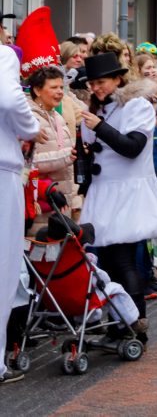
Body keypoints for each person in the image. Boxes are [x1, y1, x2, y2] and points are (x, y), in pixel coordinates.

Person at [77, 54, 157, 343]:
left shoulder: (137, 106)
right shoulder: (101, 110)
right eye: (92, 83)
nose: (96, 88)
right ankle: (118, 323)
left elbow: (132, 147)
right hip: (103, 193)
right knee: (103, 261)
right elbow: (95, 152)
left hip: (128, 193)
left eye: (101, 82)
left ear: (118, 79)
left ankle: (135, 325)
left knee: (124, 260)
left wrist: (98, 128)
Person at [0, 44, 41, 384]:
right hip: (1, 169)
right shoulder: (3, 55)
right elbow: (11, 100)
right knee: (3, 265)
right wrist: (29, 128)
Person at [26, 66, 78, 215]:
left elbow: (69, 166)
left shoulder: (58, 117)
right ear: (37, 90)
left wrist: (75, 201)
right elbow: (27, 163)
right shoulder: (28, 119)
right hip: (41, 205)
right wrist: (66, 156)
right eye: (54, 87)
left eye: (61, 87)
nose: (60, 92)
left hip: (63, 205)